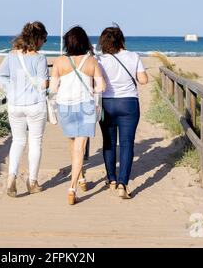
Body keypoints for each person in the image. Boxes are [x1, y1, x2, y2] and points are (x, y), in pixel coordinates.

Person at [50, 26, 106, 205]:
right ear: (84, 41)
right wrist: (93, 91)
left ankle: (80, 178)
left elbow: (52, 89)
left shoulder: (59, 61)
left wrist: (52, 108)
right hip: (85, 107)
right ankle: (72, 187)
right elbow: (102, 86)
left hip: (65, 106)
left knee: (73, 143)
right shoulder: (91, 61)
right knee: (80, 148)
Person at [0, 21, 49, 197]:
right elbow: (43, 84)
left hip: (15, 105)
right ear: (38, 38)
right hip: (35, 105)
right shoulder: (40, 58)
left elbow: (0, 75)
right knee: (35, 142)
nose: (44, 43)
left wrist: (11, 89)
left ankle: (11, 178)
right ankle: (32, 182)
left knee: (18, 141)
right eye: (44, 39)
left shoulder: (12, 55)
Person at [96, 25, 148, 199]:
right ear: (121, 40)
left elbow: (96, 83)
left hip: (107, 103)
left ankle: (111, 179)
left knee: (109, 142)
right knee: (127, 144)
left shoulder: (100, 60)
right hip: (129, 104)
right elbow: (143, 80)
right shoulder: (133, 56)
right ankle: (122, 184)